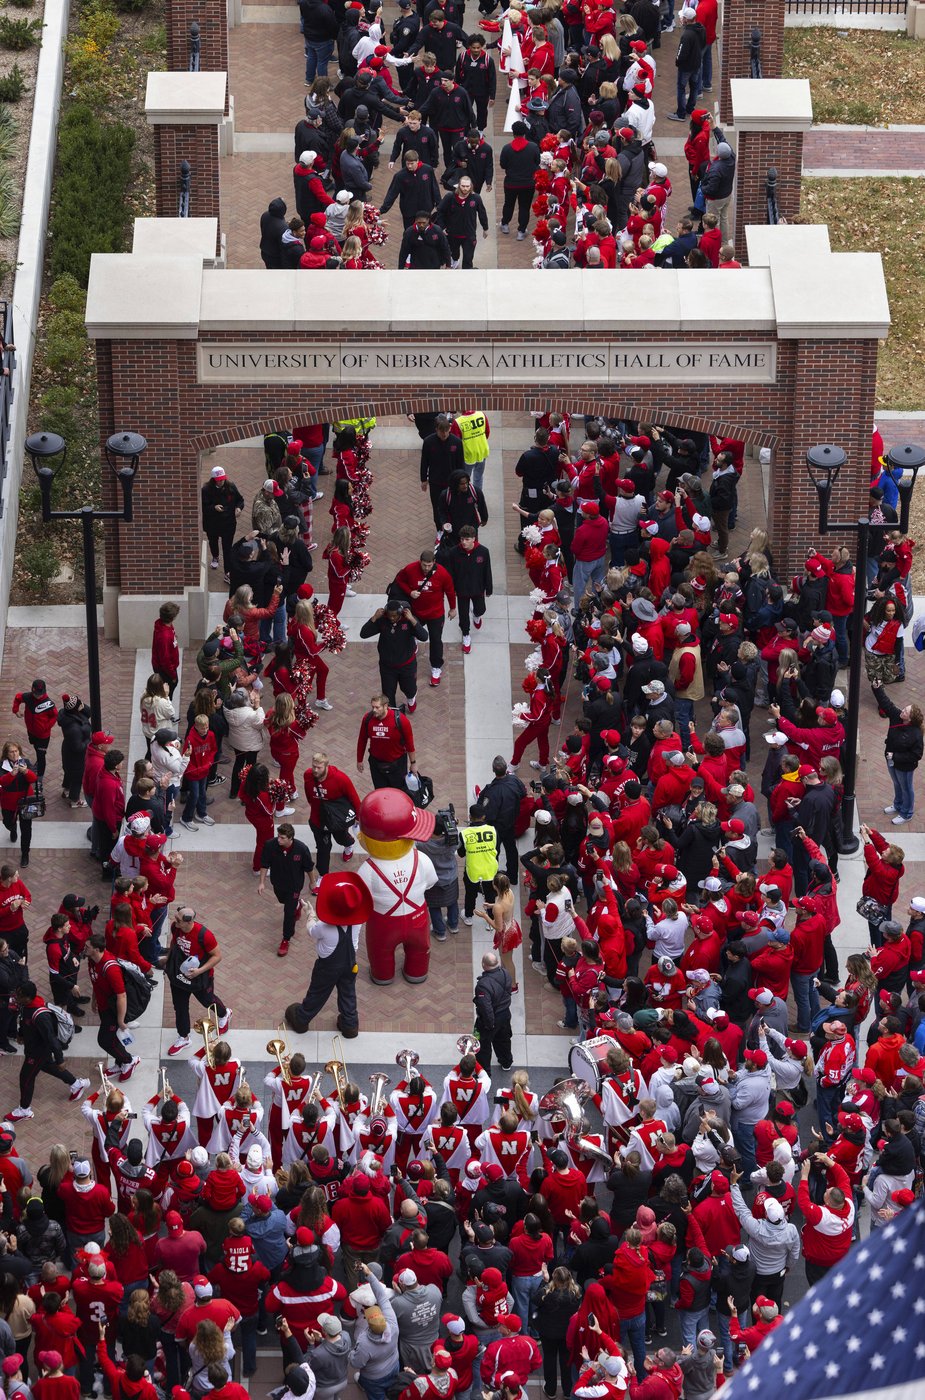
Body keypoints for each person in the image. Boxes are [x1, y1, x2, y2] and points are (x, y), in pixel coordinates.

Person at [6, 981, 89, 1121]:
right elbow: (24, 1021)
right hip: (33, 1048)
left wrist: (60, 1059)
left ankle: (24, 1110)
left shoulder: (40, 1016)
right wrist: (21, 1035)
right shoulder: (26, 1006)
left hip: (38, 1051)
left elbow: (51, 1039)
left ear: (28, 997)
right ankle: (77, 1084)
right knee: (48, 1067)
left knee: (26, 1077)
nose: (16, 997)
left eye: (19, 995)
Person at [164, 907, 231, 1058]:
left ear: (189, 921)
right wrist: (168, 961)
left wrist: (200, 971)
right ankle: (184, 1037)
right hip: (180, 973)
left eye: (179, 920)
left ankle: (224, 1014)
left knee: (208, 1001)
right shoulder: (176, 928)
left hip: (200, 976)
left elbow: (217, 956)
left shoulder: (205, 935)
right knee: (180, 1007)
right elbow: (174, 943)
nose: (175, 922)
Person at [394, 549, 457, 686]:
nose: (426, 568)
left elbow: (450, 591)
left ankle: (436, 668)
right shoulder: (410, 569)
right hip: (416, 612)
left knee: (436, 640)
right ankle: (413, 643)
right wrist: (409, 592)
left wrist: (452, 608)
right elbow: (400, 580)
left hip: (435, 613)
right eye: (424, 565)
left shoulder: (442, 573)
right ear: (420, 562)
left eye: (429, 565)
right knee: (408, 633)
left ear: (434, 562)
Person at [86, 932, 141, 1080]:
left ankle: (129, 1061)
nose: (85, 948)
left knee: (105, 1040)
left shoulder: (111, 968)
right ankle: (120, 1062)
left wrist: (121, 1021)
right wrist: (94, 999)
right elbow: (95, 981)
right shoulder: (92, 960)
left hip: (113, 1010)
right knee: (111, 1038)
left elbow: (121, 996)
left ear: (96, 949)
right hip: (104, 1007)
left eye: (88, 947)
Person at [359, 598, 429, 713]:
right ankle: (393, 717)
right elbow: (364, 634)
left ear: (400, 613)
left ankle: (411, 699)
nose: (392, 618)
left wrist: (412, 619)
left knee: (409, 689)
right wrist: (374, 618)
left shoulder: (408, 620)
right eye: (390, 615)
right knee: (388, 695)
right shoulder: (382, 620)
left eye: (394, 616)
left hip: (407, 665)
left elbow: (424, 636)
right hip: (387, 667)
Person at [259, 822, 316, 958]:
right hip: (278, 883)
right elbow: (264, 864)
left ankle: (286, 939)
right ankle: (296, 906)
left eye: (282, 838)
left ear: (291, 838)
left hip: (294, 886)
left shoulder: (301, 849)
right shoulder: (270, 846)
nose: (279, 840)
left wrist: (313, 882)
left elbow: (308, 867)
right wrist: (261, 882)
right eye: (278, 836)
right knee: (283, 901)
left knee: (288, 913)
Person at [871, 683, 924, 825]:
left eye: (906, 711)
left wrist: (895, 756)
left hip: (904, 766)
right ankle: (898, 804)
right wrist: (877, 688)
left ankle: (907, 813)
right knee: (896, 783)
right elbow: (886, 703)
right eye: (905, 709)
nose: (903, 711)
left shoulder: (916, 734)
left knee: (906, 787)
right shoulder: (897, 716)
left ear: (910, 719)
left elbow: (916, 755)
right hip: (891, 760)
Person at [304, 750, 361, 873]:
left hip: (337, 819)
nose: (315, 770)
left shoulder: (341, 779)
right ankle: (322, 875)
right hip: (317, 820)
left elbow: (354, 797)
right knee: (323, 848)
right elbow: (308, 794)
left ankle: (349, 844)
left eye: (319, 767)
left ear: (326, 766)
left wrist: (359, 817)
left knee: (341, 839)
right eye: (313, 766)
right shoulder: (308, 775)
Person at [474, 757, 527, 880]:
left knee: (494, 852)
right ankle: (513, 876)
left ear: (493, 770)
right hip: (511, 823)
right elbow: (523, 793)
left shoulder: (491, 791)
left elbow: (485, 810)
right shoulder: (515, 780)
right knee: (511, 850)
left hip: (496, 827)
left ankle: (493, 877)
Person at [357, 695, 418, 791]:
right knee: (381, 793)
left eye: (377, 707)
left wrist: (413, 763)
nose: (374, 710)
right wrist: (359, 760)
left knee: (398, 793)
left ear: (385, 706)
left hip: (397, 765)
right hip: (376, 765)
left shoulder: (401, 720)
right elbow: (362, 739)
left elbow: (409, 744)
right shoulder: (367, 719)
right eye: (372, 707)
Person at [433, 175, 489, 268]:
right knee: (454, 254)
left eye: (467, 186)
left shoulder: (476, 198)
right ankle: (455, 261)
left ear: (471, 186)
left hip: (469, 234)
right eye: (463, 186)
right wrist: (442, 227)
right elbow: (440, 212)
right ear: (459, 185)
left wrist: (485, 228)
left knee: (468, 259)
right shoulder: (450, 197)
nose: (465, 189)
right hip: (453, 234)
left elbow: (482, 213)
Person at [201, 466, 245, 579]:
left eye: (223, 479)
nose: (221, 482)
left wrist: (239, 508)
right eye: (219, 480)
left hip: (228, 524)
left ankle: (227, 572)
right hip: (212, 524)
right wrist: (213, 507)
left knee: (227, 548)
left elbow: (240, 500)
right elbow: (203, 507)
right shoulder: (206, 490)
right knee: (213, 542)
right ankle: (215, 556)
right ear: (213, 479)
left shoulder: (231, 487)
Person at [473, 951, 513, 1073]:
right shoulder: (506, 973)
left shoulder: (483, 985)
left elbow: (486, 1008)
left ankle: (484, 1072)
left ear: (484, 965)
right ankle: (506, 1062)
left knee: (483, 1046)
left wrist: (489, 1025)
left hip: (490, 1019)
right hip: (505, 1014)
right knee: (504, 1039)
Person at [499, 123, 541, 240]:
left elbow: (503, 165)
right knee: (524, 207)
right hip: (528, 184)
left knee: (508, 204)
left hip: (511, 183)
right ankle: (521, 231)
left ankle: (505, 224)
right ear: (524, 133)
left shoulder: (507, 148)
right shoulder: (533, 147)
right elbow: (537, 162)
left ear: (513, 133)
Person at [459, 805, 499, 926]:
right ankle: (490, 920)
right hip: (490, 869)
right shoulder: (493, 830)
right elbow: (497, 849)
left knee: (471, 894)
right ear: (484, 816)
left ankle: (469, 916)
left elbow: (461, 853)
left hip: (473, 870)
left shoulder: (464, 833)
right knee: (490, 894)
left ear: (470, 817)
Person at [12, 680, 57, 780]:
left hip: (43, 736)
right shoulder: (28, 697)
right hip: (31, 732)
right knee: (36, 748)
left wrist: (45, 727)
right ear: (32, 691)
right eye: (36, 694)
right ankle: (39, 759)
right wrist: (16, 710)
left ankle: (40, 778)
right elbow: (18, 697)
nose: (38, 696)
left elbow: (54, 716)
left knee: (41, 756)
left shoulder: (48, 704)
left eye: (40, 694)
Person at [57, 693, 92, 806]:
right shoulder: (74, 728)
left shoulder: (68, 713)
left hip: (68, 750)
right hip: (76, 757)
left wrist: (82, 706)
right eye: (79, 704)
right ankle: (75, 800)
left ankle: (66, 790)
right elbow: (78, 747)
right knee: (77, 776)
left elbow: (89, 712)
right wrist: (89, 740)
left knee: (68, 772)